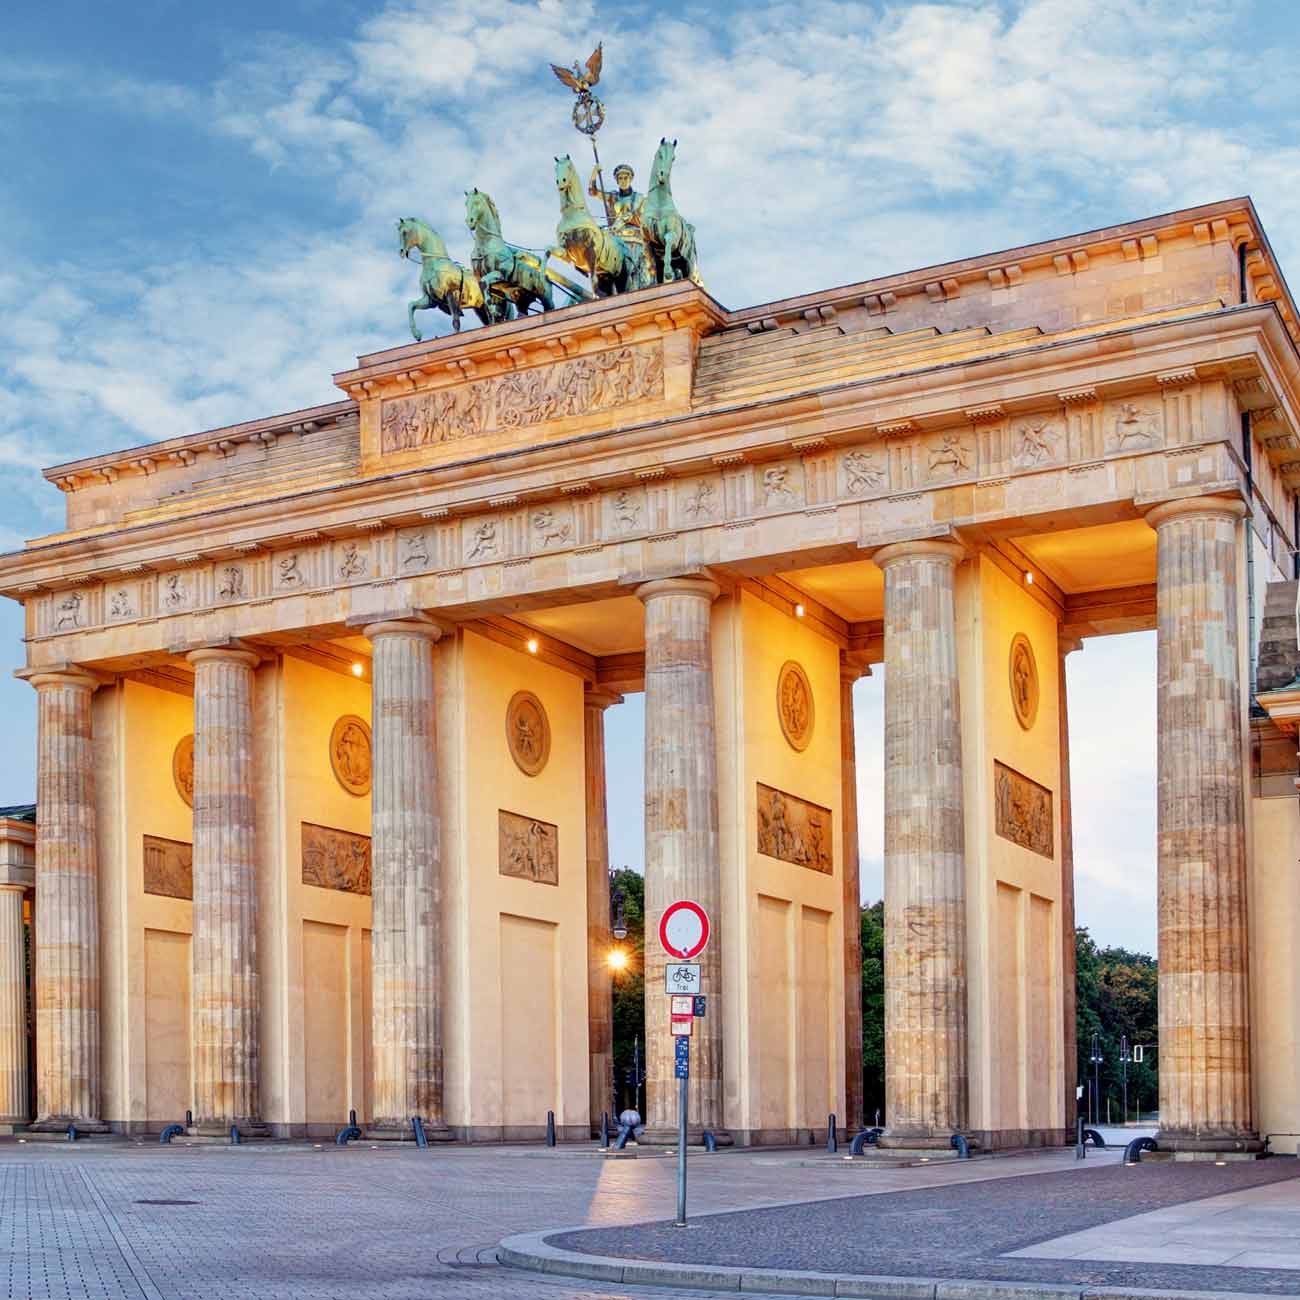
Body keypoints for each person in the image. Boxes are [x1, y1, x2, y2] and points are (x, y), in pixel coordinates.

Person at [588, 163, 654, 288]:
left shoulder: (639, 198)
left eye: (625, 178)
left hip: (634, 237)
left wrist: (630, 218)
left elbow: (645, 219)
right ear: (617, 180)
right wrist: (594, 174)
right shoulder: (613, 196)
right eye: (620, 178)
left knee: (638, 263)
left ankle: (641, 277)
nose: (623, 181)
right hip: (616, 236)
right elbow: (593, 192)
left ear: (630, 179)